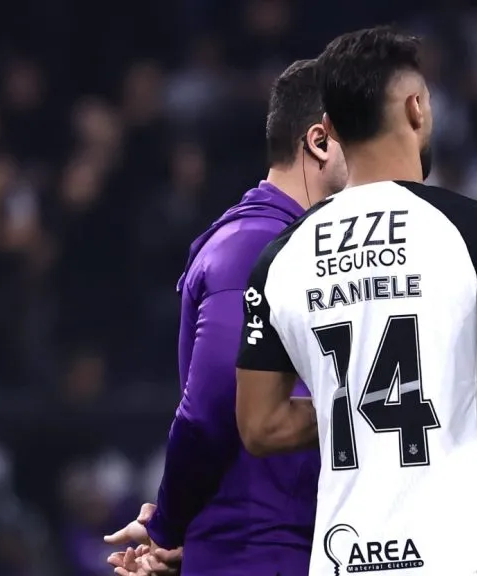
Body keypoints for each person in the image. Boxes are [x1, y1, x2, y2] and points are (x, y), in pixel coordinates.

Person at [233, 26, 477, 576]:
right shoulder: (476, 228)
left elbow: (260, 427)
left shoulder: (279, 258)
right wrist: (463, 376)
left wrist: (359, 399)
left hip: (347, 557)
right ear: (416, 109)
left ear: (332, 129)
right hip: (465, 553)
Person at [103, 59, 348, 576]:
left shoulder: (307, 247)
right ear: (320, 141)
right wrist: (170, 523)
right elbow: (212, 407)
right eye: (363, 135)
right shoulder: (251, 246)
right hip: (261, 554)